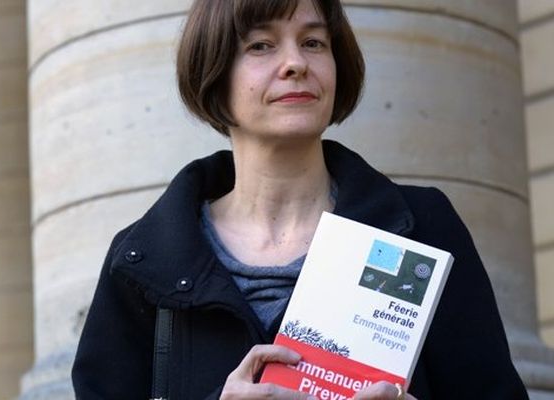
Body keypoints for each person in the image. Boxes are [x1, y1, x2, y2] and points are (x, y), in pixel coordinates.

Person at [72, 0, 529, 399]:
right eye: (260, 45)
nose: (295, 63)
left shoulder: (423, 228)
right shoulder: (142, 261)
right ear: (213, 72)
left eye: (313, 42)